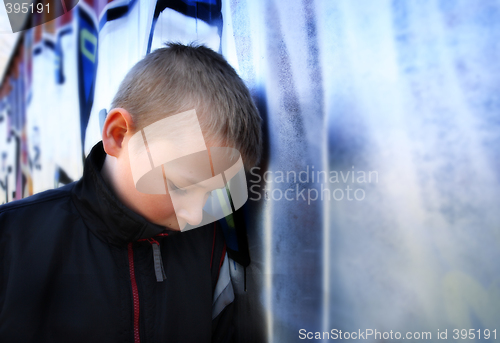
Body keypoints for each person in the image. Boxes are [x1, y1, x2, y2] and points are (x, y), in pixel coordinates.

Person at [0, 43, 262, 342]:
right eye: (181, 185)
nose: (193, 214)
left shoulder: (211, 250)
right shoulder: (11, 241)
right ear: (118, 134)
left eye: (214, 195)